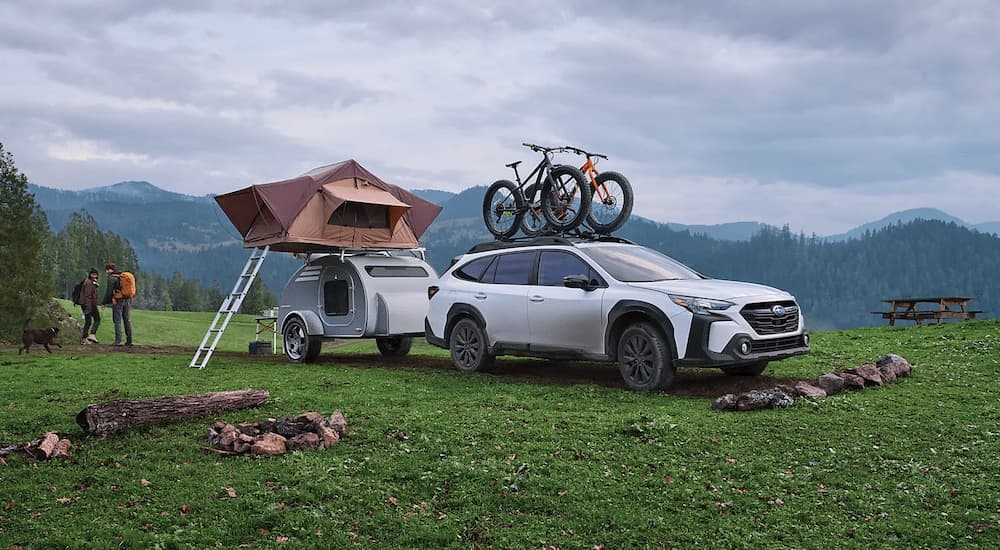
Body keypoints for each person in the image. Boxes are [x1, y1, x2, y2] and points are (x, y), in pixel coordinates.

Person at [101, 262, 133, 347]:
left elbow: (109, 292)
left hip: (118, 300)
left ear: (108, 270)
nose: (106, 272)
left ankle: (118, 341)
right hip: (126, 299)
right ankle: (129, 340)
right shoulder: (121, 275)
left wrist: (104, 302)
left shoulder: (112, 278)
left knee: (117, 320)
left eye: (107, 270)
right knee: (127, 319)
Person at [80, 268, 101, 344]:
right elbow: (88, 296)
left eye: (95, 274)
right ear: (90, 274)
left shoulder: (91, 282)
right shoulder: (89, 283)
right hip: (89, 305)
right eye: (93, 274)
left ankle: (84, 339)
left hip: (87, 304)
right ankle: (92, 335)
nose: (94, 276)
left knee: (88, 321)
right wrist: (89, 307)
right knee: (97, 319)